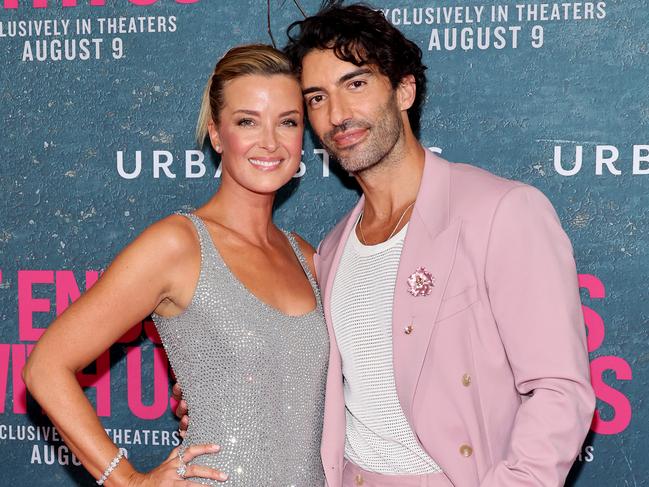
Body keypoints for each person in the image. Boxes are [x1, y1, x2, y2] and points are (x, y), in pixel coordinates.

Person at [174, 4, 596, 486]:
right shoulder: (330, 253)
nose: (337, 114)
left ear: (404, 90)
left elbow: (560, 391)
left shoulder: (500, 211)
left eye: (355, 84)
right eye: (316, 98)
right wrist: (218, 391)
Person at [23, 44, 328, 486]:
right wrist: (127, 479)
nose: (270, 142)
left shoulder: (306, 255)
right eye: (247, 121)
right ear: (217, 134)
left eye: (288, 122)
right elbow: (45, 368)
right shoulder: (179, 245)